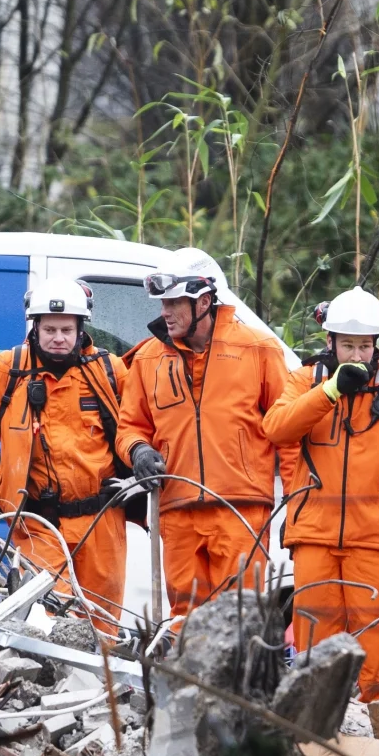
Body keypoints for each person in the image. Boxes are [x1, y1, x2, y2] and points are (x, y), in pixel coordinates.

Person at [263, 287, 379, 702]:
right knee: (313, 651)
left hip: (375, 545)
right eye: (349, 345)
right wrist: (329, 393)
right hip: (314, 539)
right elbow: (276, 428)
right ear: (330, 342)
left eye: (365, 346)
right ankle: (312, 742)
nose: (358, 355)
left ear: (377, 343)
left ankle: (374, 748)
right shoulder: (306, 382)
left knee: (375, 656)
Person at [0, 277, 129, 632]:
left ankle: (99, 687)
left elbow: (143, 422)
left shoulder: (110, 372)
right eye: (49, 329)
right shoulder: (8, 371)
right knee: (45, 621)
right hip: (38, 524)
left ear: (81, 329)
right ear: (35, 328)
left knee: (102, 625)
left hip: (102, 523)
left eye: (66, 329)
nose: (58, 337)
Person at [116, 248, 296, 617]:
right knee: (185, 620)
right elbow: (130, 427)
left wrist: (297, 506)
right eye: (163, 302)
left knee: (240, 618)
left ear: (205, 299)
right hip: (176, 514)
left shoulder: (259, 350)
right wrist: (138, 451)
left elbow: (289, 433)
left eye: (174, 302)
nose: (165, 311)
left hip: (241, 512)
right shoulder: (148, 358)